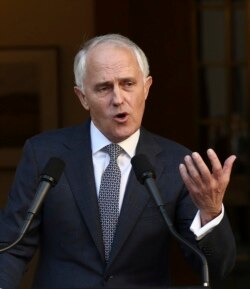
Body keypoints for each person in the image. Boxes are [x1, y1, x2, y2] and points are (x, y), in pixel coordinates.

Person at [0, 34, 236, 289]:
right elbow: (12, 246)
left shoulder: (177, 163)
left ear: (146, 88)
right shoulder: (44, 153)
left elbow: (215, 268)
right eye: (103, 88)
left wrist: (210, 213)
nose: (118, 98)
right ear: (82, 97)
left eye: (128, 84)